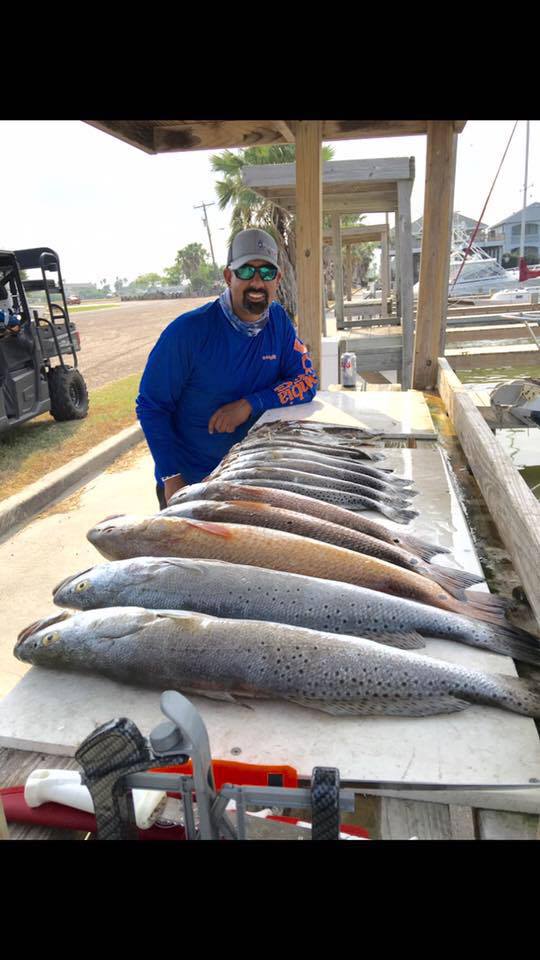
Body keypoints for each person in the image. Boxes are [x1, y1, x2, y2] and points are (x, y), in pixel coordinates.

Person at [136, 228, 319, 508]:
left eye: (267, 273)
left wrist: (250, 404)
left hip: (256, 481)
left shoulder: (279, 323)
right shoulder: (188, 332)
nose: (257, 282)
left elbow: (306, 381)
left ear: (278, 279)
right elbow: (152, 406)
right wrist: (171, 478)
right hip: (195, 483)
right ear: (228, 276)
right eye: (246, 271)